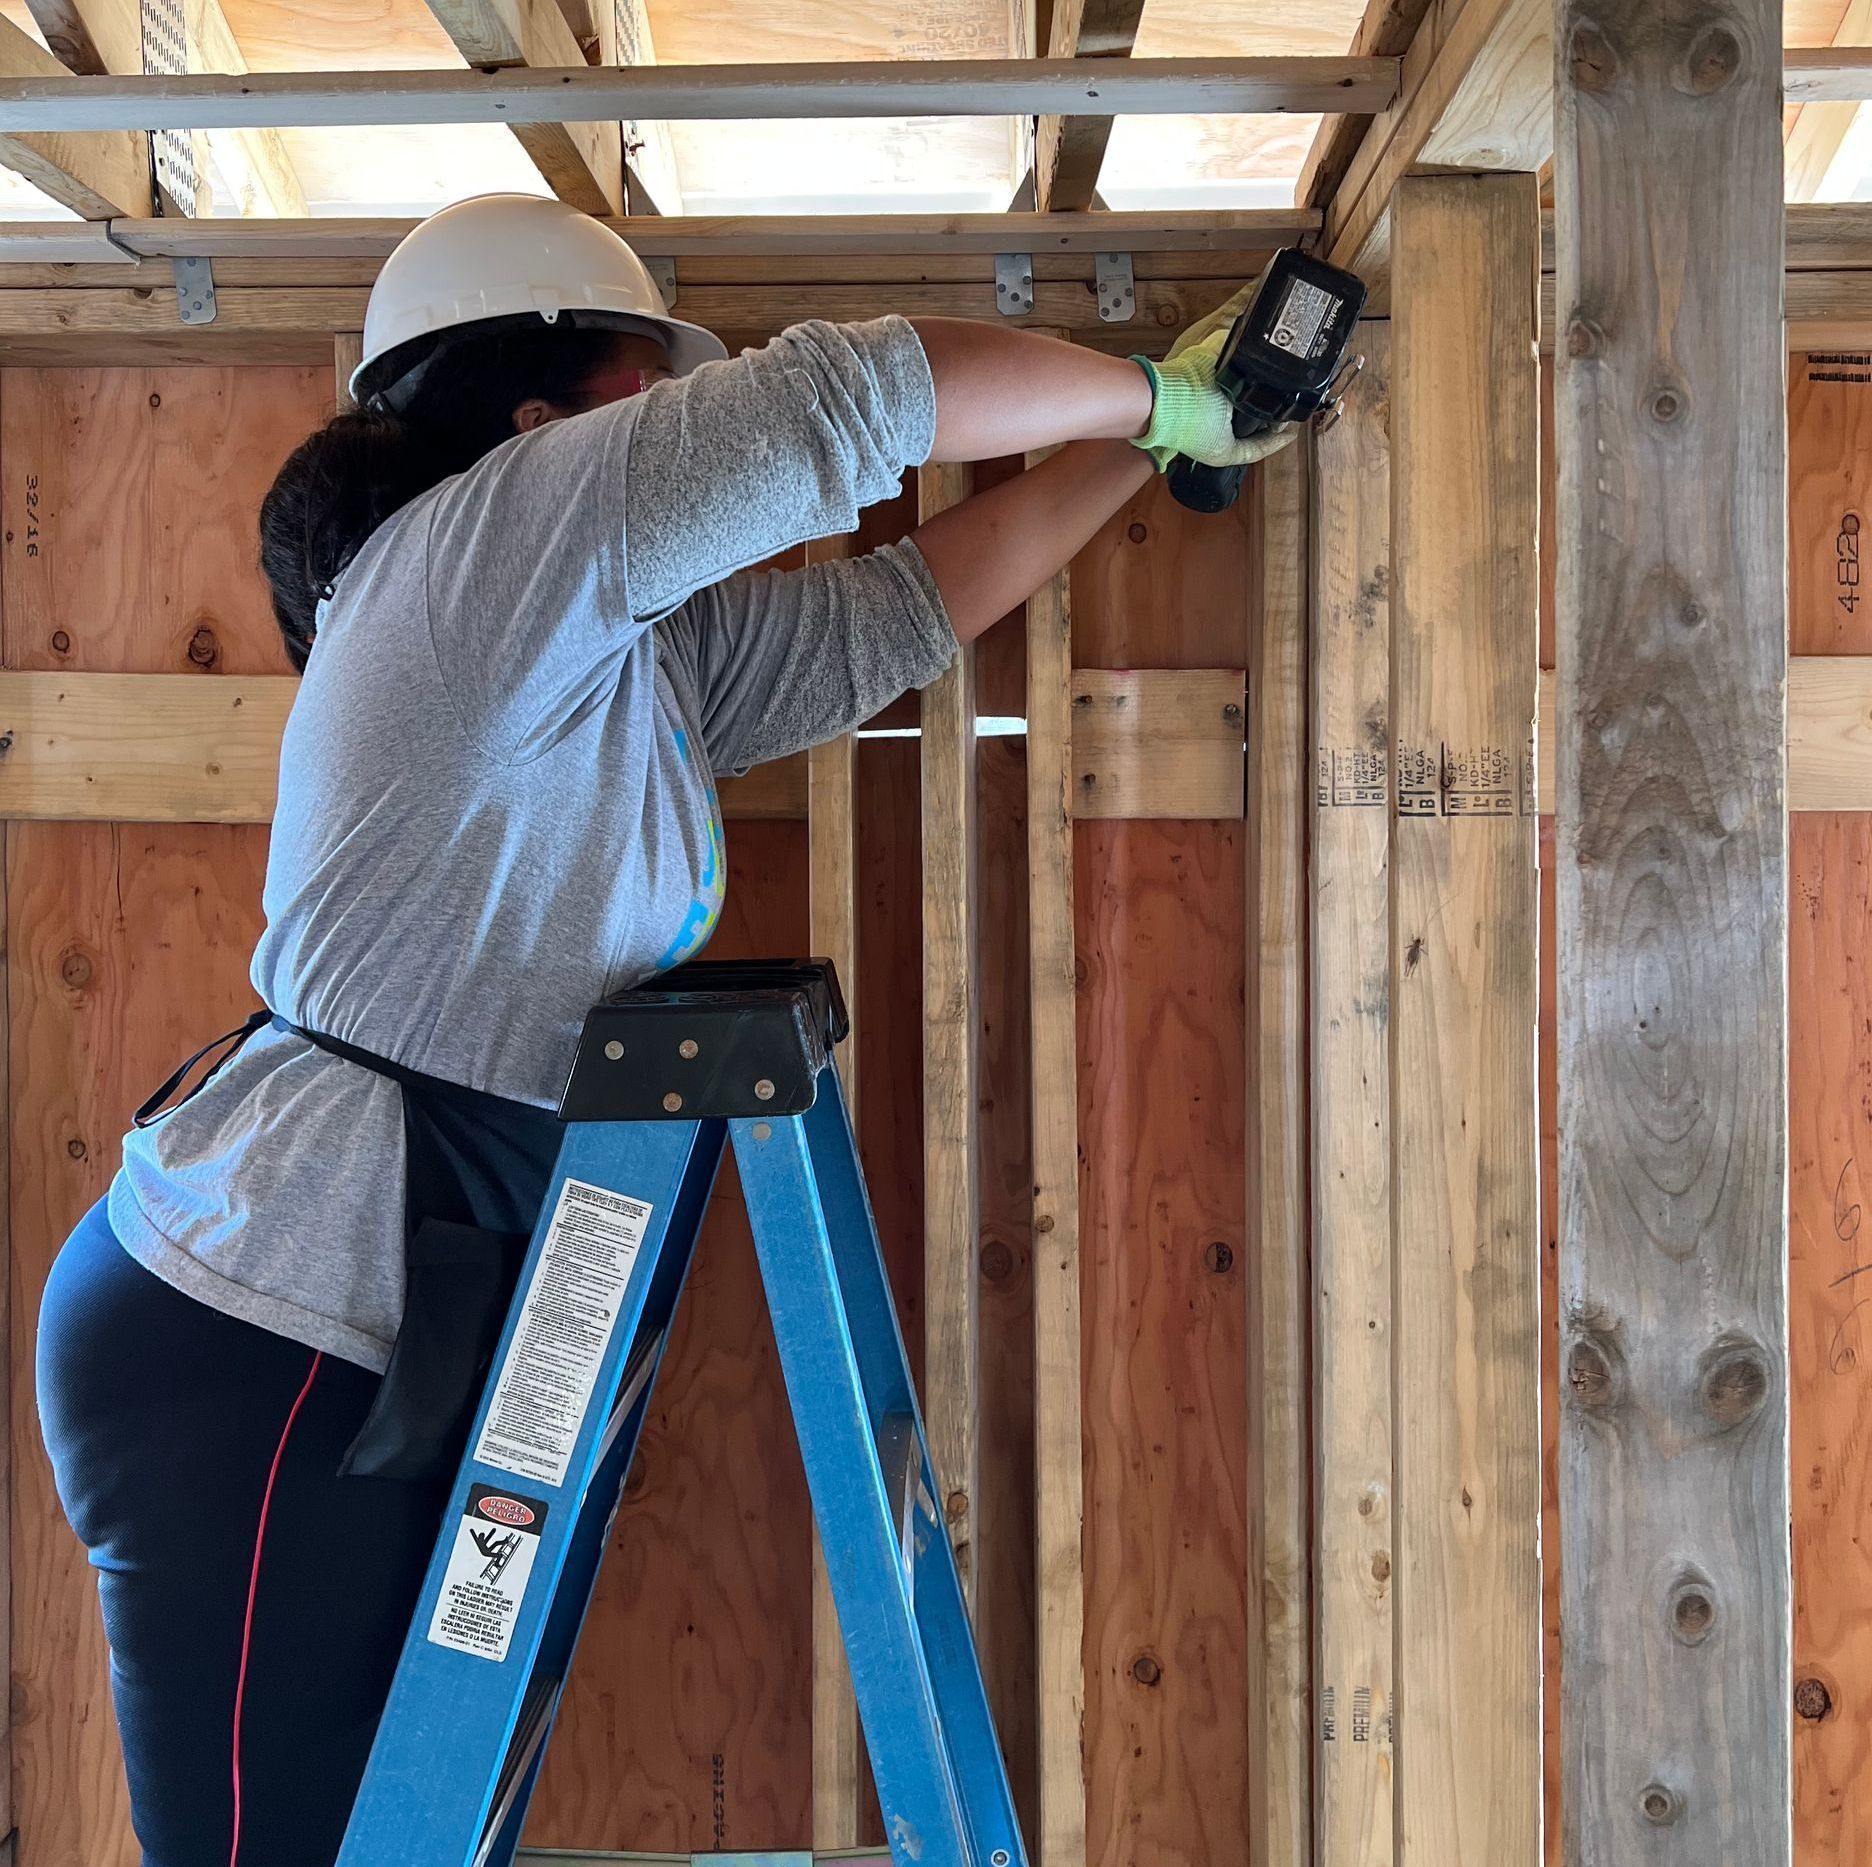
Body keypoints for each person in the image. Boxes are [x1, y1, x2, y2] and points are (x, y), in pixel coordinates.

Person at [33, 192, 1292, 1867]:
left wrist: (1158, 448)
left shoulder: (598, 650)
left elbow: (888, 622)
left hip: (356, 1303)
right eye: (645, 388)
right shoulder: (484, 551)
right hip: (255, 1328)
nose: (670, 433)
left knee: (403, 1833)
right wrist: (1142, 387)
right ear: (524, 415)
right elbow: (843, 406)